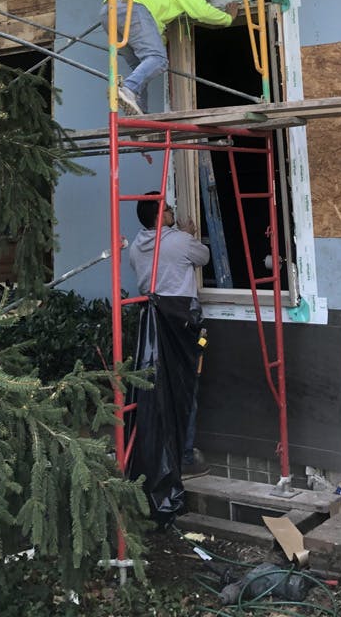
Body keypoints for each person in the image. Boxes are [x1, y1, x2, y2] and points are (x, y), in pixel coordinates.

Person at [129, 192, 210, 479]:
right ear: (159, 214)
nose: (173, 211)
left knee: (158, 389)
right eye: (169, 208)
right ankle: (185, 456)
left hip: (151, 318)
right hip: (182, 319)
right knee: (187, 386)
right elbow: (204, 256)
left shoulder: (136, 246)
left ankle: (161, 455)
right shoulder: (179, 240)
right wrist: (186, 235)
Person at [105, 0, 239, 116]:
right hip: (133, 8)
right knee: (158, 59)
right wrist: (228, 18)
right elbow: (202, 12)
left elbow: (153, 26)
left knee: (141, 66)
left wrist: (163, 39)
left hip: (109, 10)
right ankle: (127, 89)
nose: (199, 0)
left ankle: (138, 112)